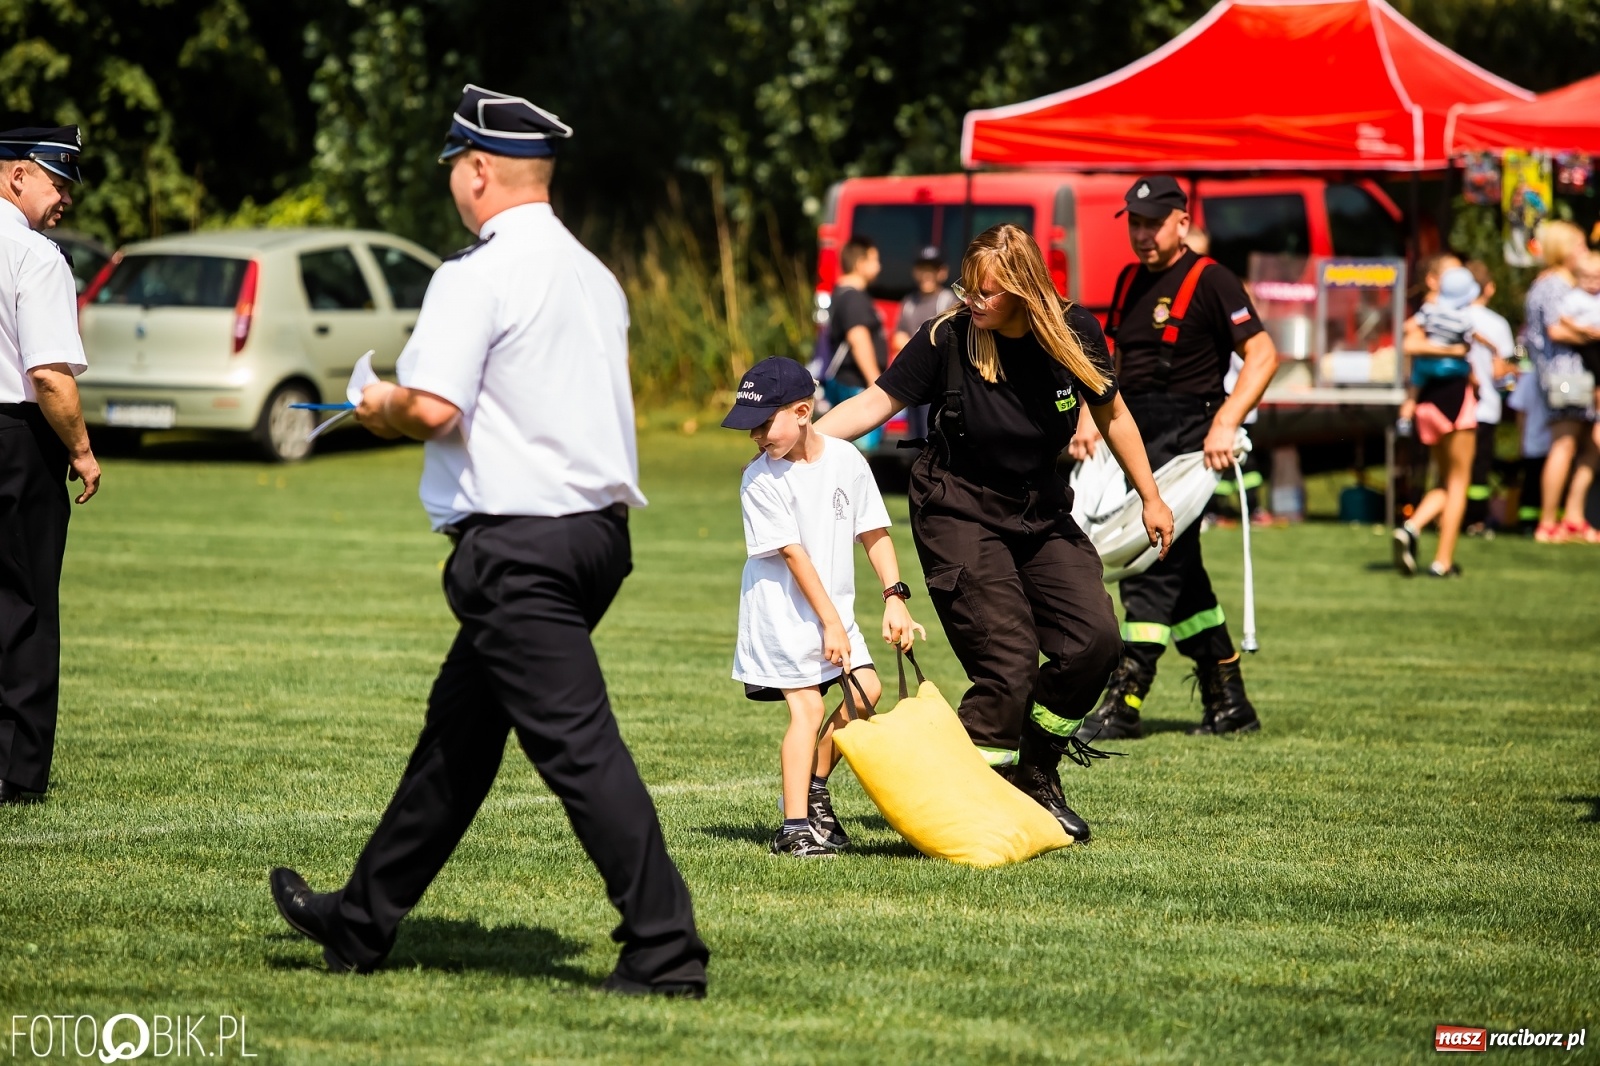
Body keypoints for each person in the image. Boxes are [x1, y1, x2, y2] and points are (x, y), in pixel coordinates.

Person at [269, 86, 709, 997]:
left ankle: (666, 952)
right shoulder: (596, 275)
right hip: (593, 540)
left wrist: (373, 402)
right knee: (458, 742)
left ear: (476, 170)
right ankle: (359, 923)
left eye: (453, 169)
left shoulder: (473, 274)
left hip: (520, 550)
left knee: (581, 751)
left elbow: (433, 408)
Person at [815, 223, 1174, 843]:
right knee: (1006, 663)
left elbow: (1114, 414)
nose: (972, 303)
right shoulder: (947, 338)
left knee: (1095, 642)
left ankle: (1035, 773)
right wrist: (805, 442)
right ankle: (967, 809)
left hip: (1039, 512)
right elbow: (876, 404)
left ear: (1023, 290)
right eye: (969, 289)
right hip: (959, 510)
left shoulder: (1074, 334)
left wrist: (1151, 495)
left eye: (987, 294)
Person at [1071, 176, 1277, 742]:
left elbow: (1262, 355)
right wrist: (1090, 417)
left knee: (1149, 565)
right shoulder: (1129, 279)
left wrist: (1227, 421)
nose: (1142, 235)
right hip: (1135, 438)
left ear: (1181, 223)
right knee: (1181, 571)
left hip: (1189, 445)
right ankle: (1228, 699)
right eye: (1134, 224)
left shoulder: (1213, 280)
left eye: (1152, 223)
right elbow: (1108, 364)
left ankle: (1127, 697)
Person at [722, 357, 923, 857]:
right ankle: (793, 829)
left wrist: (894, 597)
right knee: (809, 708)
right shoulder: (759, 481)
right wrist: (830, 623)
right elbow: (794, 555)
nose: (756, 437)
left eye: (764, 424)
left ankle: (814, 790)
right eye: (750, 428)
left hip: (834, 611)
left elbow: (873, 531)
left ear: (803, 412)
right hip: (784, 614)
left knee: (868, 688)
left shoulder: (846, 460)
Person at [0, 126, 100, 806]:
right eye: (56, 182)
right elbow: (50, 375)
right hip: (15, 440)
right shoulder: (35, 257)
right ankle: (18, 771)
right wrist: (82, 450)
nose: (65, 197)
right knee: (28, 603)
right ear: (15, 178)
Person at [1391, 267, 1486, 577]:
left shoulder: (1428, 314)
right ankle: (1442, 561)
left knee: (1444, 482)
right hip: (1454, 400)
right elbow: (1412, 344)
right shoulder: (1464, 319)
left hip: (1427, 401)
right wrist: (1456, 350)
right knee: (1459, 483)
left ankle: (1412, 527)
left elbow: (1409, 337)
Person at [1522, 221, 1600, 542]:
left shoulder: (1566, 284)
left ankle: (1573, 515)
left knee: (1586, 442)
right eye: (1577, 246)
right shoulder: (1553, 285)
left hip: (1576, 373)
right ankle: (1549, 520)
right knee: (1564, 443)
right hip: (1565, 374)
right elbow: (1556, 329)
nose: (1583, 253)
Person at [1463, 260, 1517, 532]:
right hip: (1486, 406)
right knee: (1479, 468)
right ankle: (1475, 519)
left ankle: (1450, 515)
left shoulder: (1454, 316)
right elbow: (1502, 375)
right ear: (1490, 288)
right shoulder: (1497, 324)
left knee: (1456, 465)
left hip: (1456, 408)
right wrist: (1515, 371)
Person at [823, 237, 888, 450]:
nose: (879, 267)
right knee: (860, 449)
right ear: (860, 264)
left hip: (846, 380)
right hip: (857, 383)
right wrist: (875, 384)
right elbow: (858, 338)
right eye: (875, 260)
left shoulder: (841, 293)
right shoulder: (854, 298)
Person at [892, 246, 957, 441]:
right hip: (914, 383)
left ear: (942, 272)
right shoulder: (909, 302)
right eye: (923, 269)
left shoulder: (948, 301)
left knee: (935, 436)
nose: (927, 275)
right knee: (916, 439)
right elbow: (897, 337)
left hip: (939, 385)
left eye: (932, 269)